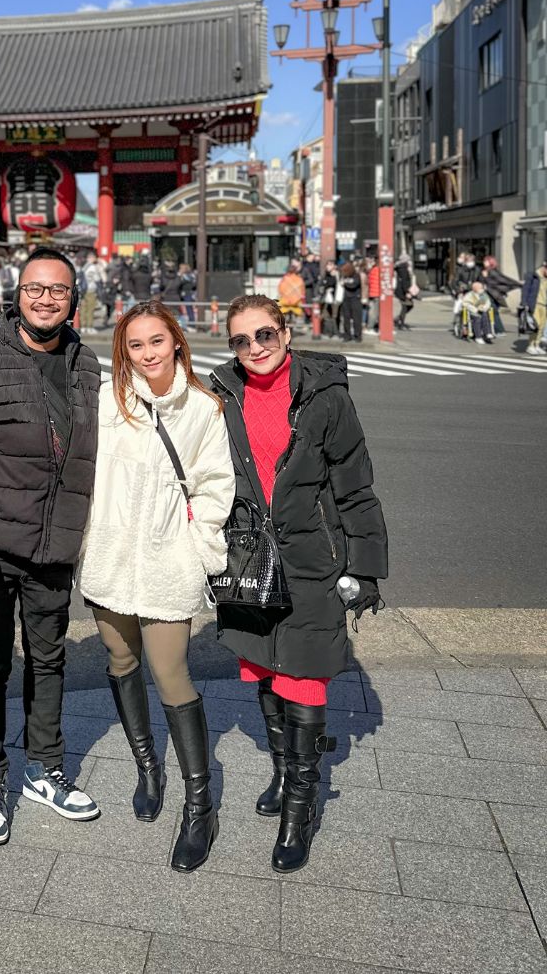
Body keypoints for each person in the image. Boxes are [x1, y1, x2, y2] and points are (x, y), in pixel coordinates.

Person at [210, 295, 387, 873]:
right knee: (263, 664)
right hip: (249, 555)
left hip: (313, 556)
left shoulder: (325, 395)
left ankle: (299, 808)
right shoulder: (223, 395)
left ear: (285, 333)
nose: (255, 348)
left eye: (265, 335)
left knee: (305, 673)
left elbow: (354, 485)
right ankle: (283, 771)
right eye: (241, 340)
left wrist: (362, 566)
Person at [0, 246, 102, 845]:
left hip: (55, 547)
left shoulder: (87, 365)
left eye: (58, 290)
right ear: (16, 294)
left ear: (73, 299)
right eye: (35, 288)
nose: (46, 298)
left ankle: (46, 767)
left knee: (49, 660)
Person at [79, 302, 234, 872]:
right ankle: (147, 764)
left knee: (171, 671)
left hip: (169, 558)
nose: (147, 354)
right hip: (109, 557)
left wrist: (198, 547)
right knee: (120, 660)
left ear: (176, 343)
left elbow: (217, 484)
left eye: (156, 341)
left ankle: (200, 803)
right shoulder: (107, 401)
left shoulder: (201, 408)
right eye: (135, 346)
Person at [481, 255, 520, 335]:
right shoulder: (487, 271)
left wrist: (519, 284)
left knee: (493, 313)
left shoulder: (492, 272)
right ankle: (492, 330)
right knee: (490, 313)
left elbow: (503, 281)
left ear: (490, 262)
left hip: (493, 296)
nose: (484, 262)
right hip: (490, 295)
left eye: (486, 261)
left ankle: (499, 330)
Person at [521, 260, 547, 355]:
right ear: (545, 267)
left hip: (544, 305)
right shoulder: (533, 276)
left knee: (541, 326)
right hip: (534, 304)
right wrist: (524, 303)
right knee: (535, 325)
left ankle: (537, 344)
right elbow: (525, 289)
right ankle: (530, 346)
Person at [338, 261, 362, 342]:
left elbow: (354, 285)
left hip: (355, 298)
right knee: (346, 318)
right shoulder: (344, 276)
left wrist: (345, 284)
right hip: (346, 299)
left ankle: (358, 335)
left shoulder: (356, 276)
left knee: (356, 318)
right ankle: (347, 335)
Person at [394, 254, 416, 331]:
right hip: (403, 291)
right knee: (405, 306)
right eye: (408, 260)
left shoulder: (402, 267)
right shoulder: (403, 268)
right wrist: (407, 292)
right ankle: (401, 323)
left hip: (402, 290)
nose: (410, 261)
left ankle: (399, 319)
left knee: (409, 306)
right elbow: (404, 282)